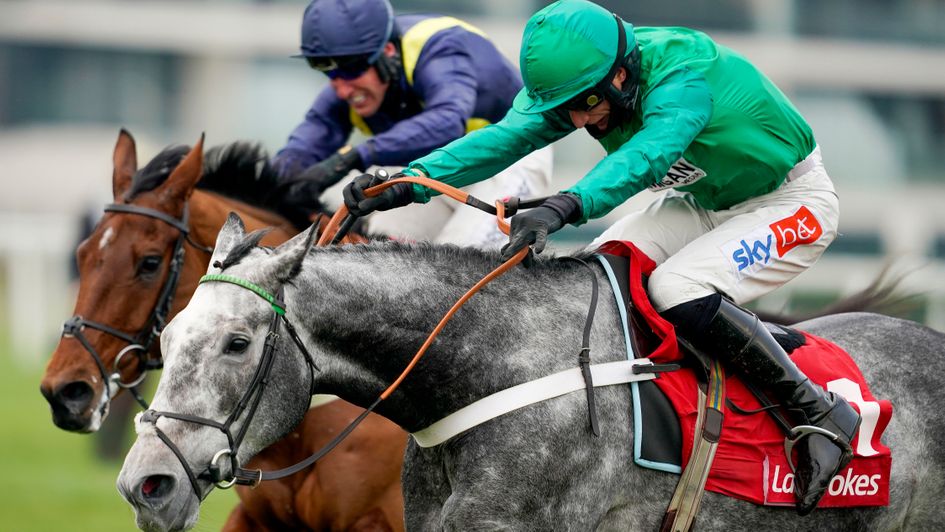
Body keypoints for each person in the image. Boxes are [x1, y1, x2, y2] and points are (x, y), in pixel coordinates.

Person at [342, 0, 859, 515]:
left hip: (792, 202)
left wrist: (564, 206)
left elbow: (645, 158)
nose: (579, 119)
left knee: (677, 290)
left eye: (586, 102)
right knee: (594, 278)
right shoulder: (583, 81)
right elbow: (501, 140)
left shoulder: (683, 77)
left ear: (620, 72)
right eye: (567, 108)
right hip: (704, 204)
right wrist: (408, 182)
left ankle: (818, 410)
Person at [271, 0, 553, 247]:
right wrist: (272, 188)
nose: (342, 89)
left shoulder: (442, 48)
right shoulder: (345, 89)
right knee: (376, 261)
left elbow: (447, 122)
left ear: (389, 50)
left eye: (352, 67)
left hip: (508, 162)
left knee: (457, 270)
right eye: (327, 70)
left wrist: (352, 157)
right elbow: (301, 151)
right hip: (430, 173)